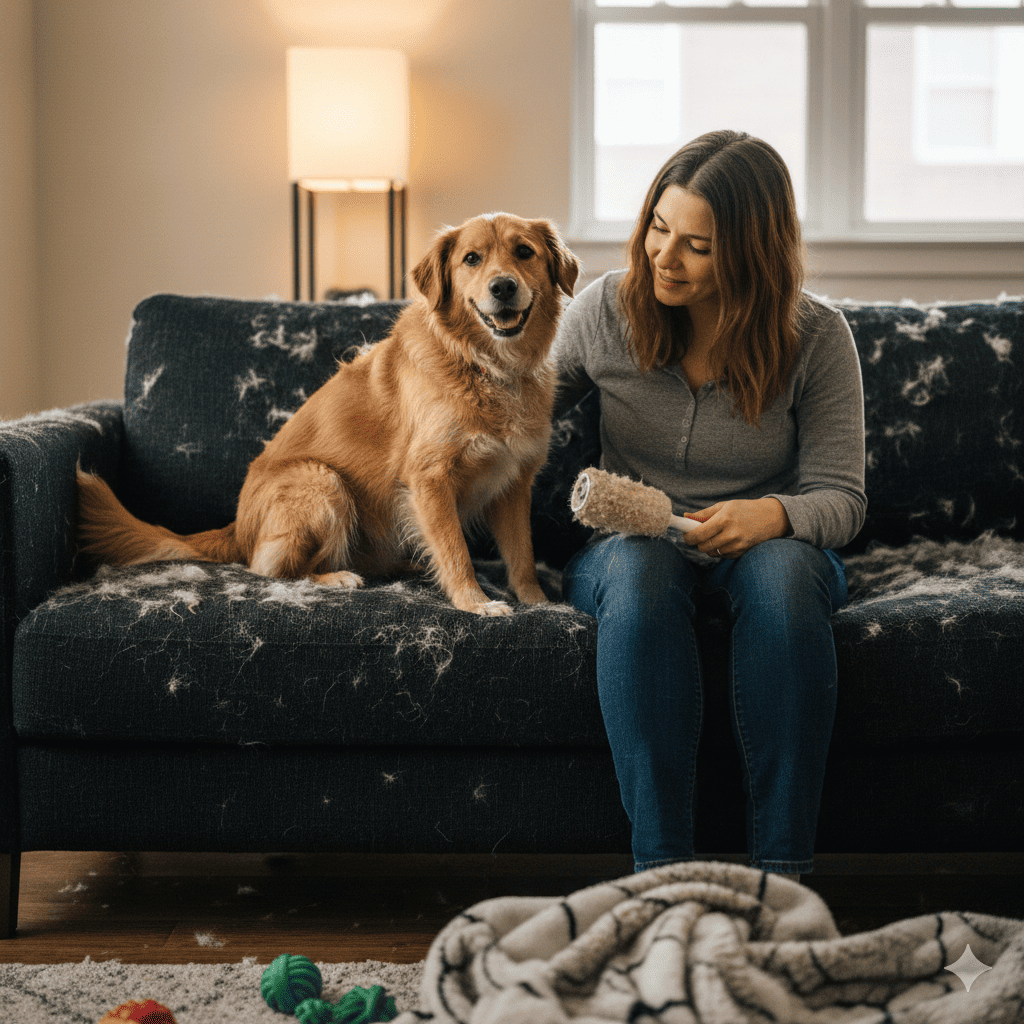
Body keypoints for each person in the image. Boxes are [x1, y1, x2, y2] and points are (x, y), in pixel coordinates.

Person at [552, 130, 866, 880]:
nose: (664, 255)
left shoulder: (817, 336)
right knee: (640, 578)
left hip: (766, 546)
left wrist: (775, 515)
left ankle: (783, 878)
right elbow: (508, 407)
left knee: (787, 580)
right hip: (634, 545)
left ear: (752, 253)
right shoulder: (603, 311)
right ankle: (662, 879)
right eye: (659, 228)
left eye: (697, 244)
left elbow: (843, 498)